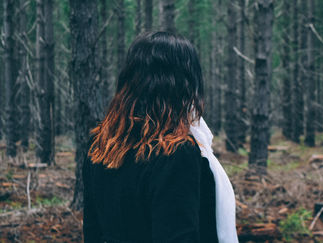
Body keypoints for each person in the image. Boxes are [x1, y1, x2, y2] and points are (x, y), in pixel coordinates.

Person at [82, 31, 238, 243]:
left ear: (129, 81)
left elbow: (92, 232)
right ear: (185, 84)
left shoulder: (100, 145)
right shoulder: (177, 153)